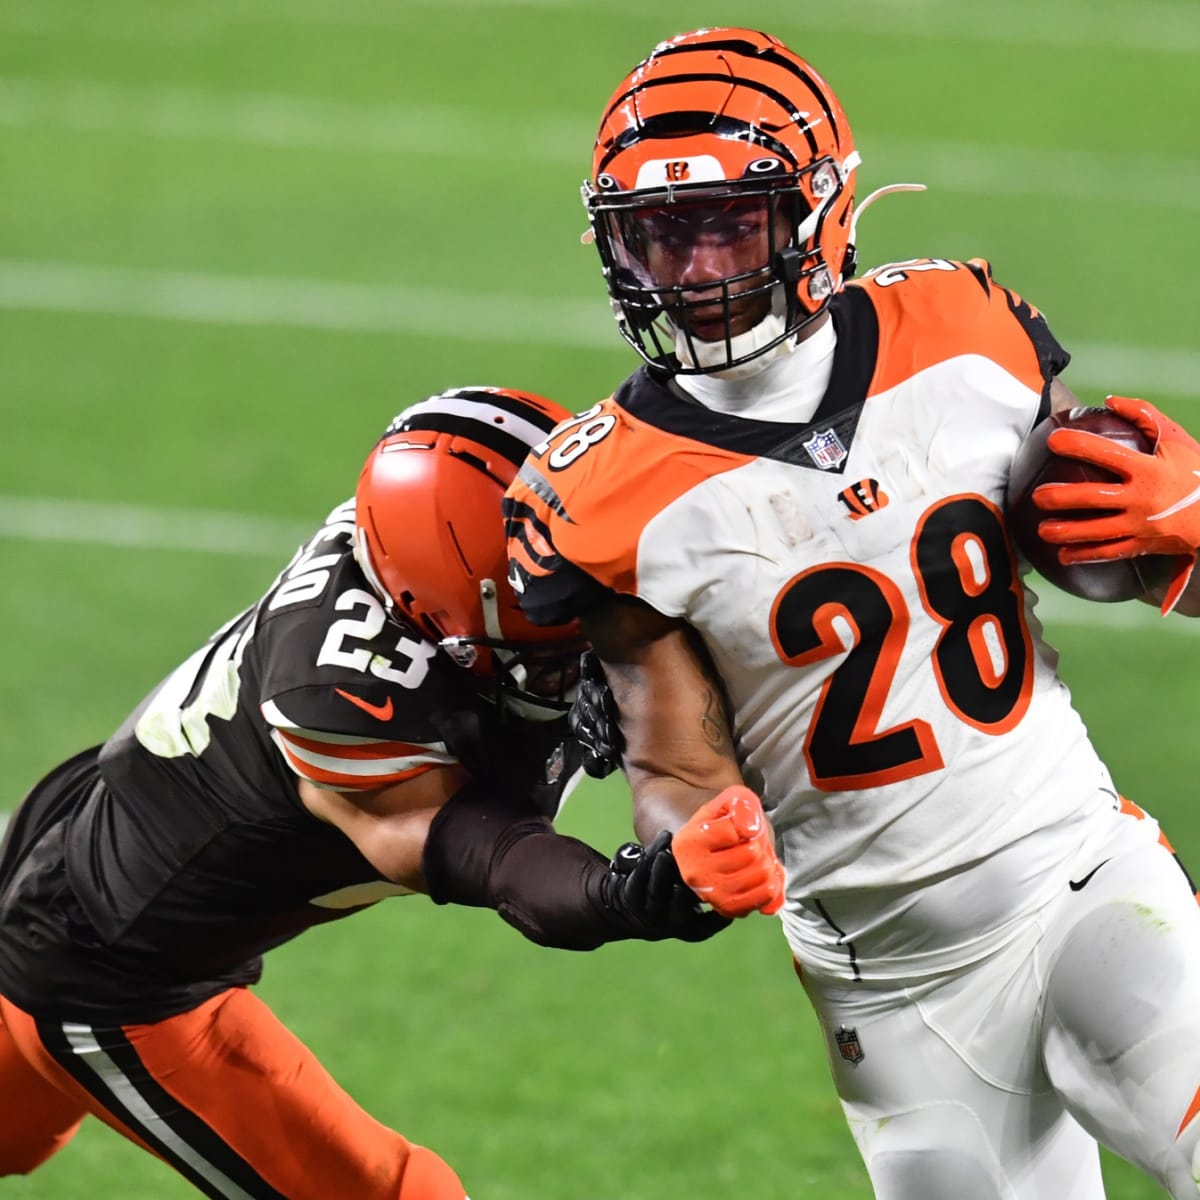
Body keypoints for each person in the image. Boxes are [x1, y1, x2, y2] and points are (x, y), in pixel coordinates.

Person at [504, 27, 1200, 1200]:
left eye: (733, 221)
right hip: (887, 979)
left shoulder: (963, 332)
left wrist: (1186, 524)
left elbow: (1121, 548)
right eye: (660, 234)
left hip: (1078, 873)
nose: (697, 268)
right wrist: (694, 838)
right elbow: (676, 761)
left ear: (819, 210)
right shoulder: (608, 494)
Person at [0, 386, 727, 1200]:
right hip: (113, 964)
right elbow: (479, 848)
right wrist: (617, 894)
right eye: (549, 622)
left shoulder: (426, 555)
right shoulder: (341, 700)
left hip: (92, 828)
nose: (582, 628)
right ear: (440, 617)